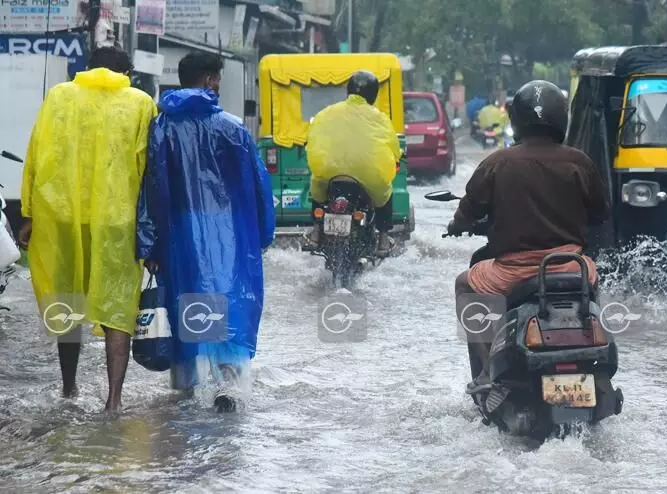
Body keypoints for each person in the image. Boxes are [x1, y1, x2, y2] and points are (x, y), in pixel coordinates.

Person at [18, 46, 157, 411]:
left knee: (67, 298)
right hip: (117, 219)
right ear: (126, 71)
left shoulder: (59, 96)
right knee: (118, 305)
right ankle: (113, 401)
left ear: (87, 67)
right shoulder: (141, 103)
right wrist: (153, 231)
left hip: (63, 215)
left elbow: (37, 154)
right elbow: (149, 169)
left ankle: (68, 389)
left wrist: (30, 215)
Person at [136, 52, 275, 412]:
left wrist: (149, 244)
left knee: (189, 301)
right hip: (231, 233)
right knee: (229, 299)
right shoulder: (232, 127)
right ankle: (229, 384)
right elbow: (260, 186)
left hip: (181, 233)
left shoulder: (163, 127)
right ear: (211, 80)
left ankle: (189, 390)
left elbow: (152, 187)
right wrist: (262, 235)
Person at [449, 80, 610, 388]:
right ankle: (594, 358)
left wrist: (457, 226)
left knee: (464, 283)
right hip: (570, 267)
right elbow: (600, 214)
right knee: (593, 281)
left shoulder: (498, 162)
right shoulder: (579, 162)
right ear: (561, 118)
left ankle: (486, 371)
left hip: (512, 271)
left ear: (517, 118)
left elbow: (468, 210)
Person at [305, 70, 401, 257]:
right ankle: (383, 237)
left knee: (317, 184)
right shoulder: (379, 118)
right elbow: (393, 148)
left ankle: (316, 230)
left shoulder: (326, 113)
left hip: (329, 172)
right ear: (373, 94)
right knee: (386, 191)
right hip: (368, 176)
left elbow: (312, 137)